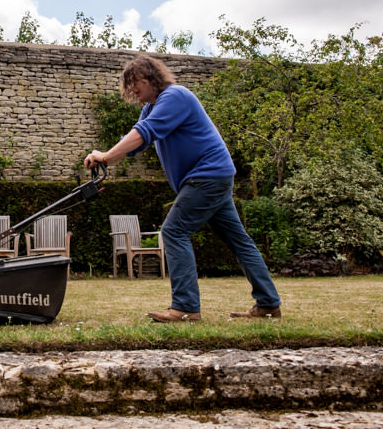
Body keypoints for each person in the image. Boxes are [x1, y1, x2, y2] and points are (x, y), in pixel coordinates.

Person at [84, 54, 281, 322]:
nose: (132, 90)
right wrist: (105, 156)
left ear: (150, 76)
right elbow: (138, 139)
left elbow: (145, 132)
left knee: (174, 231)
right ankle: (268, 303)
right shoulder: (151, 108)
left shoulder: (175, 96)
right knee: (239, 241)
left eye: (134, 82)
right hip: (216, 176)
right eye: (128, 85)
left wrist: (106, 155)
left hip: (207, 176)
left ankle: (186, 306)